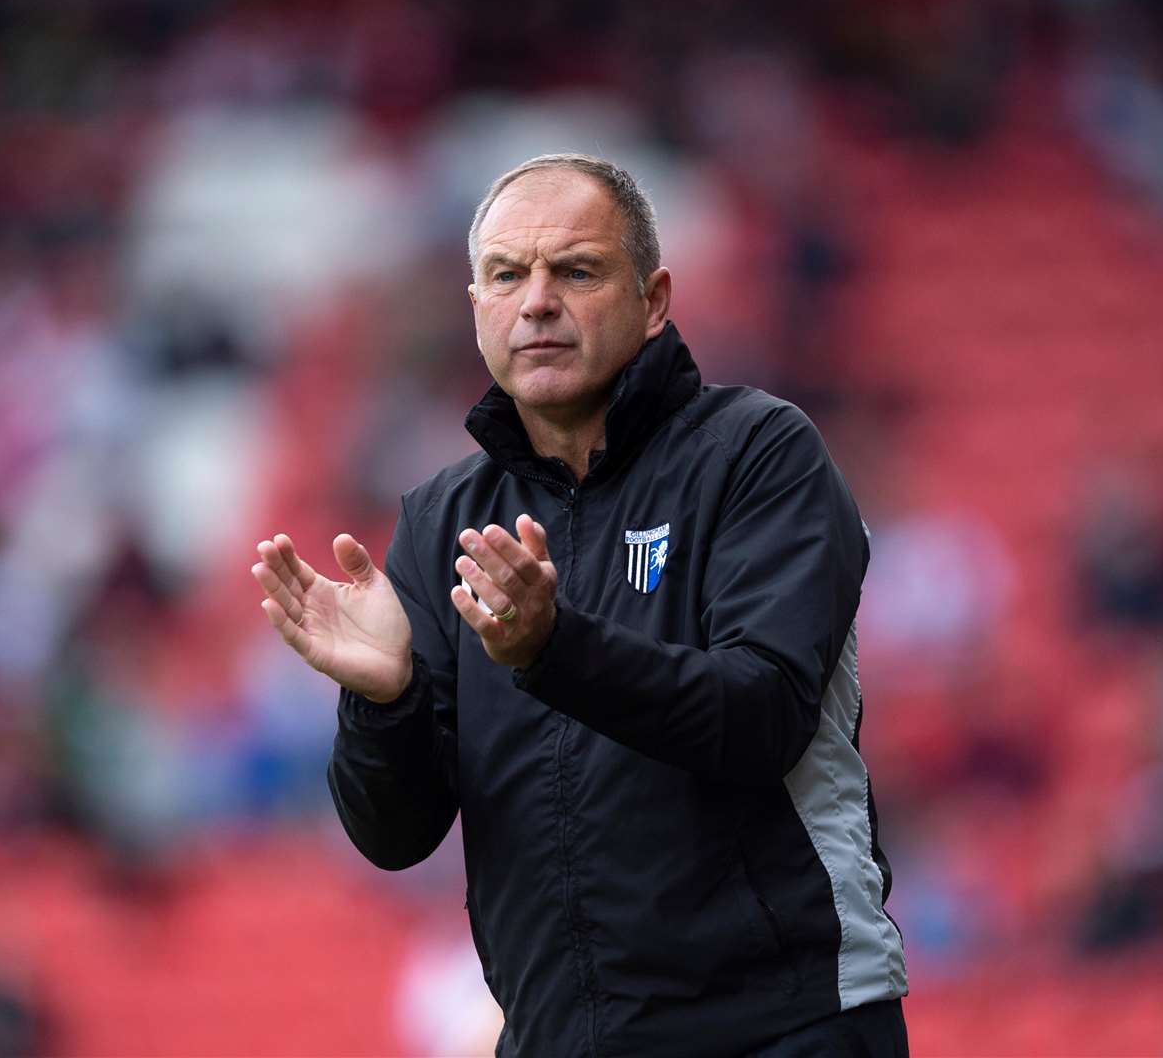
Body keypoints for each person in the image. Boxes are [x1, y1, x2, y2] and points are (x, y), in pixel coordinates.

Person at [252, 154, 908, 1057]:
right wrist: (383, 701)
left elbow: (762, 718)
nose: (537, 302)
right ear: (475, 305)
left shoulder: (758, 454)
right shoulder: (441, 518)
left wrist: (553, 649)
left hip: (783, 1027)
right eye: (506, 276)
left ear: (653, 299)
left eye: (577, 271)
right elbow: (395, 838)